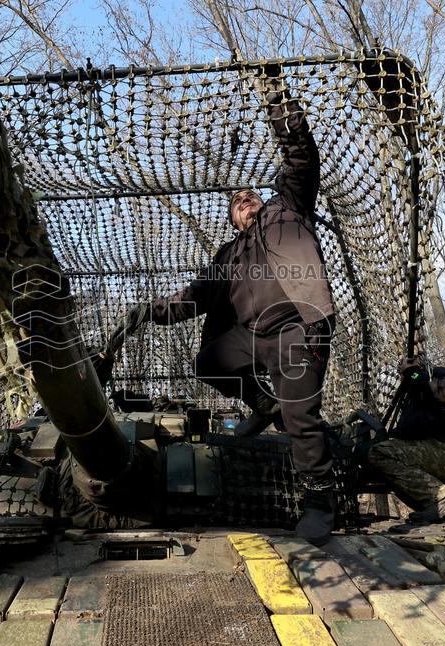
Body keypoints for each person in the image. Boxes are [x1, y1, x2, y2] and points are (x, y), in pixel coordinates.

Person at [139, 66, 338, 545]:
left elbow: (300, 159)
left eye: (250, 195)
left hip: (297, 326)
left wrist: (279, 103)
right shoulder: (227, 256)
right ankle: (260, 400)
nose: (246, 199)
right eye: (237, 202)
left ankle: (319, 501)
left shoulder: (287, 208)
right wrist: (145, 311)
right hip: (253, 337)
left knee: (301, 419)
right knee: (208, 361)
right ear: (232, 220)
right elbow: (190, 300)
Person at [368, 357, 445, 527]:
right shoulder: (415, 397)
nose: (403, 373)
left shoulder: (439, 376)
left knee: (380, 453)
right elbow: (406, 432)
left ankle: (442, 501)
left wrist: (413, 374)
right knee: (380, 458)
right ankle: (437, 510)